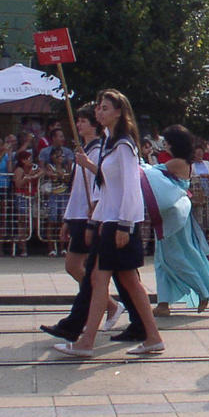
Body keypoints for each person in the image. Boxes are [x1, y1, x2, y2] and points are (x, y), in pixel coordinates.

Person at [55, 90, 164, 357]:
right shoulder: (111, 144)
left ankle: (87, 342)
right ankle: (153, 337)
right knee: (126, 280)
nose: (99, 112)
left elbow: (130, 187)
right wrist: (97, 220)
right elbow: (108, 188)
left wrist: (125, 224)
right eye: (99, 108)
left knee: (101, 278)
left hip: (120, 222)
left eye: (105, 108)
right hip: (111, 220)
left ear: (118, 112)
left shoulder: (124, 145)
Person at [40, 105, 143, 342]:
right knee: (108, 276)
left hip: (109, 218)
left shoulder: (117, 146)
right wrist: (71, 217)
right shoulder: (103, 145)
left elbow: (119, 185)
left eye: (103, 109)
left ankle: (88, 327)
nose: (80, 125)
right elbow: (81, 188)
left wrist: (115, 223)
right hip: (99, 217)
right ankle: (137, 325)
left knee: (106, 277)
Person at [142, 125, 209, 315]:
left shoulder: (178, 163)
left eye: (166, 140)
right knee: (162, 258)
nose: (163, 143)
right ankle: (163, 304)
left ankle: (202, 291)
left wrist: (140, 160)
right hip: (170, 216)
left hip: (175, 218)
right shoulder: (179, 162)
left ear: (173, 143)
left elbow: (150, 173)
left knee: (175, 257)